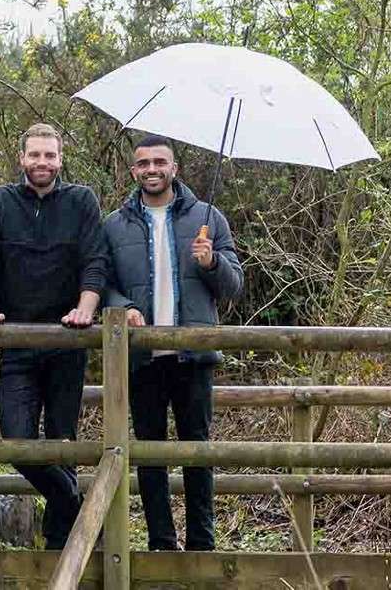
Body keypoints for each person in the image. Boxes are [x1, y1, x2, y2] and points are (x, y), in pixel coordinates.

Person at [0, 122, 109, 550]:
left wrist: (85, 310)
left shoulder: (81, 200)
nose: (42, 163)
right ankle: (76, 504)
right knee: (16, 441)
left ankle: (58, 540)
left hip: (68, 341)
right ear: (22, 158)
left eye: (50, 155)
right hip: (17, 341)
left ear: (60, 159)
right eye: (35, 155)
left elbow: (95, 260)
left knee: (62, 440)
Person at [102, 134, 244, 551]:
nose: (151, 169)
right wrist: (124, 306)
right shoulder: (115, 224)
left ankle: (202, 544)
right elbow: (102, 284)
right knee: (149, 456)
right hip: (143, 356)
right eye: (143, 163)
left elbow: (234, 286)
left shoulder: (208, 217)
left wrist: (211, 262)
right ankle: (161, 543)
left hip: (193, 353)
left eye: (159, 162)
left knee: (198, 452)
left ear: (174, 168)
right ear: (133, 171)